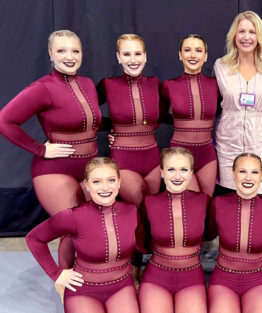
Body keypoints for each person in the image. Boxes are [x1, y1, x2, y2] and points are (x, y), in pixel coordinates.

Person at [0, 30, 101, 273]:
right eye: (62, 50)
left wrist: (124, 129)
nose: (69, 56)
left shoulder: (87, 83)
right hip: (55, 170)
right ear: (50, 54)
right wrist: (39, 149)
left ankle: (91, 276)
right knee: (72, 226)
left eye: (75, 51)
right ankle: (65, 284)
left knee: (93, 224)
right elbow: (4, 121)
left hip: (89, 167)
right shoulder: (43, 87)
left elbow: (87, 121)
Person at [25, 157, 139, 313]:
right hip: (84, 291)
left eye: (111, 180)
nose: (105, 187)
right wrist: (56, 274)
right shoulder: (72, 217)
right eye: (97, 182)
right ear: (87, 185)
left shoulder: (132, 211)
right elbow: (34, 239)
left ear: (119, 182)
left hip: (122, 288)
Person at [213, 10, 262, 195]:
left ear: (259, 36)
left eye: (252, 32)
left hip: (261, 138)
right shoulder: (221, 66)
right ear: (234, 35)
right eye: (242, 31)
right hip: (228, 138)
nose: (246, 37)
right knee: (228, 194)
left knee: (260, 194)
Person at [206, 153, 262, 313]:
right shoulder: (218, 203)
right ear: (233, 174)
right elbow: (210, 234)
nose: (248, 178)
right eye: (242, 172)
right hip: (223, 280)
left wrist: (259, 248)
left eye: (254, 172)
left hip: (257, 280)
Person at [138, 147, 210, 313]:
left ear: (191, 172)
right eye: (171, 169)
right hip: (156, 278)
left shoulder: (203, 201)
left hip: (192, 279)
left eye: (183, 170)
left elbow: (210, 232)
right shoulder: (149, 202)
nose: (177, 176)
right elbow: (141, 242)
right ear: (162, 172)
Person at [97, 33, 161, 208]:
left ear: (145, 56)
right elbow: (85, 115)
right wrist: (113, 128)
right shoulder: (108, 85)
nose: (133, 60)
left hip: (153, 158)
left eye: (138, 54)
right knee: (139, 203)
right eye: (126, 54)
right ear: (118, 57)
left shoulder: (155, 83)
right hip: (124, 157)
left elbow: (160, 116)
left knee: (152, 210)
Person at [161, 34, 219, 196]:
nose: (193, 55)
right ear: (180, 54)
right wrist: (121, 134)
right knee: (191, 202)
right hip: (179, 154)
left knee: (206, 206)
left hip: (207, 155)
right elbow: (155, 118)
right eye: (187, 50)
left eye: (198, 50)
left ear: (205, 56)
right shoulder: (169, 85)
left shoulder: (215, 84)